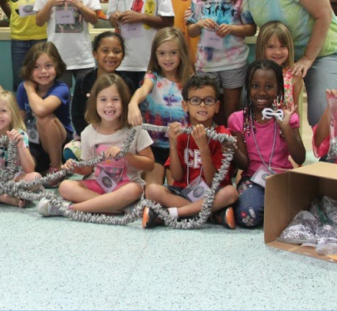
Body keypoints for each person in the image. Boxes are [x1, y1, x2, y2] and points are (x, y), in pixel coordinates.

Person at [38, 74, 154, 218]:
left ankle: (69, 208)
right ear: (94, 103)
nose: (109, 105)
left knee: (134, 190)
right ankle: (117, 207)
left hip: (125, 186)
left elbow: (149, 165)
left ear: (124, 102)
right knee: (66, 186)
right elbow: (88, 168)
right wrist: (76, 166)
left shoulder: (135, 129)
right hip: (98, 186)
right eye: (103, 99)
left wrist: (127, 155)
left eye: (115, 99)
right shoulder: (88, 132)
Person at [142, 73, 238, 228]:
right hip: (183, 192)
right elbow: (176, 176)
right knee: (152, 190)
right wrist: (172, 143)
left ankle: (172, 214)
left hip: (211, 193)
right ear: (185, 105)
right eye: (195, 100)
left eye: (208, 100)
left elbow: (214, 181)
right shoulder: (182, 133)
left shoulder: (222, 135)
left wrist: (203, 148)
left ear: (217, 106)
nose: (202, 105)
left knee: (230, 193)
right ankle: (212, 214)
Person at [228, 59, 306, 229]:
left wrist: (285, 128)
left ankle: (273, 208)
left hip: (283, 178)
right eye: (255, 86)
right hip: (253, 179)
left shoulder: (287, 117)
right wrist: (232, 149)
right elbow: (244, 164)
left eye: (269, 86)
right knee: (246, 216)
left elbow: (300, 157)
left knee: (307, 207)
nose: (261, 92)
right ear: (248, 88)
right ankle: (270, 208)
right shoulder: (238, 119)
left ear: (279, 88)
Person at [186, 0, 255, 122]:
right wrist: (200, 24)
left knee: (232, 111)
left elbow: (251, 28)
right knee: (205, 109)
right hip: (206, 64)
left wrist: (232, 28)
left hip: (233, 62)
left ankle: (230, 147)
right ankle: (209, 146)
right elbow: (191, 31)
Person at [128, 28, 192, 186]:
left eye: (173, 53)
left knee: (174, 188)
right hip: (153, 146)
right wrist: (133, 104)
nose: (167, 58)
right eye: (162, 53)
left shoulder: (189, 79)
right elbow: (142, 90)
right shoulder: (152, 76)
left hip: (178, 146)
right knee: (152, 191)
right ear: (155, 55)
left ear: (181, 53)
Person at [16, 42, 73, 173]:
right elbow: (21, 117)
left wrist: (30, 90)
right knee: (28, 168)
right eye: (36, 67)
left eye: (48, 66)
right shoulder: (21, 88)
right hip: (34, 139)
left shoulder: (61, 88)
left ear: (57, 66)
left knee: (44, 117)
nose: (43, 71)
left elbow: (41, 109)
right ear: (29, 69)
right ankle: (40, 166)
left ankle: (56, 167)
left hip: (58, 141)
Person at [71, 31, 127, 137]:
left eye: (116, 51)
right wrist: (90, 136)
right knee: (69, 152)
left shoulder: (126, 83)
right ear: (95, 54)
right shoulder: (83, 81)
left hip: (120, 136)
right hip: (88, 135)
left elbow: (129, 114)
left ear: (123, 56)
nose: (111, 55)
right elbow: (77, 116)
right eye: (105, 51)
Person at [256, 21, 303, 117]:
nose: (277, 52)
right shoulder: (255, 74)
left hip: (285, 128)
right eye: (271, 47)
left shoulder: (295, 75)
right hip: (262, 128)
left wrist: (295, 129)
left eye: (282, 46)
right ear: (262, 48)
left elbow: (295, 108)